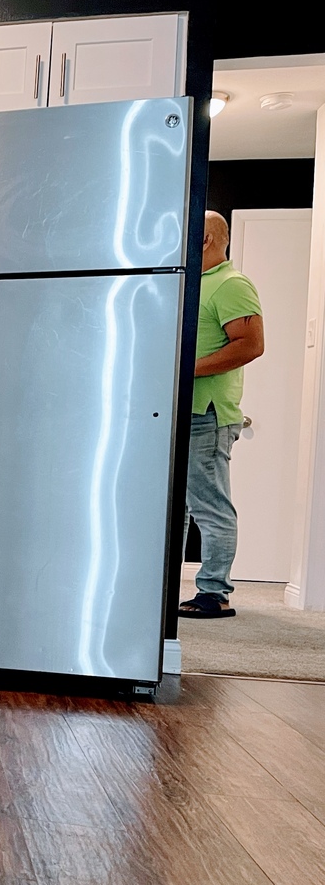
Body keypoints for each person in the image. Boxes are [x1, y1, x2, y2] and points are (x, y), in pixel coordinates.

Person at [180, 210, 266, 619]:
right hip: (181, 411)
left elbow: (250, 344)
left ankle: (214, 593)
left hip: (208, 414)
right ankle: (165, 587)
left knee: (210, 507)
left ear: (205, 240)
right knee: (176, 508)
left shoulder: (231, 284)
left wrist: (185, 369)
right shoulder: (194, 284)